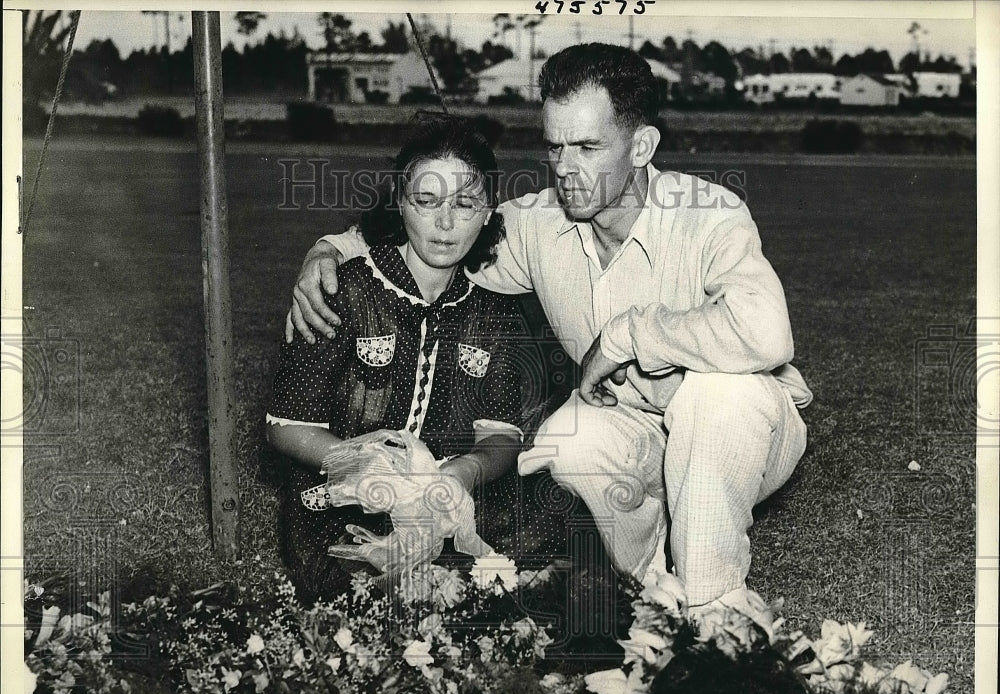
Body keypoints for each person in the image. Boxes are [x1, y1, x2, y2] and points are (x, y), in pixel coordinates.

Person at [284, 43, 813, 612]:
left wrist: (628, 335)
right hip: (638, 430)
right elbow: (441, 227)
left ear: (642, 146)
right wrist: (329, 250)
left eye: (588, 147)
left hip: (746, 431)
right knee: (568, 446)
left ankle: (711, 604)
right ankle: (643, 588)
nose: (566, 168)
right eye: (555, 146)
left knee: (717, 394)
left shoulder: (710, 214)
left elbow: (765, 334)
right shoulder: (540, 223)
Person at [267, 119, 549, 603]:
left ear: (487, 214)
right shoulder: (344, 289)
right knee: (362, 589)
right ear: (400, 203)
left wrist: (461, 473)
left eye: (465, 204)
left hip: (449, 488)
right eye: (427, 201)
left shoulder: (495, 307)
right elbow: (285, 427)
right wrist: (370, 469)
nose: (445, 223)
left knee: (549, 513)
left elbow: (502, 436)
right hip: (353, 494)